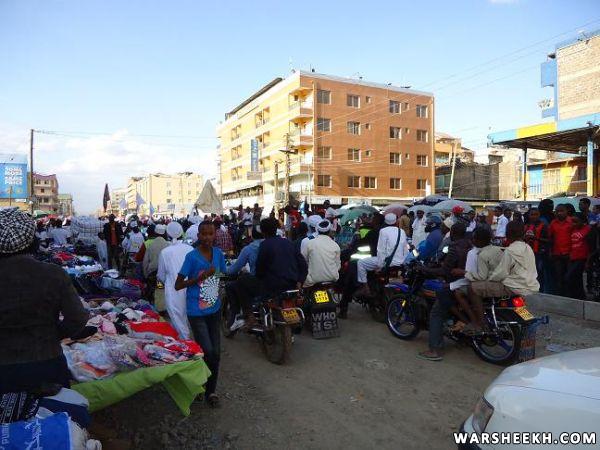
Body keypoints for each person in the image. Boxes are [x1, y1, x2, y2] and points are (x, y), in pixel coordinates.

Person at [0, 208, 89, 393]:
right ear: (32, 241)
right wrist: (53, 335)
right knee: (53, 410)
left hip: (5, 367)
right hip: (46, 361)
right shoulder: (53, 274)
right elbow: (77, 318)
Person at [175, 221, 227, 407]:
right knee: (207, 350)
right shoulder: (191, 257)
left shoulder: (218, 254)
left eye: (210, 234)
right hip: (196, 311)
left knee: (216, 353)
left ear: (214, 235)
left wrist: (215, 275)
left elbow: (222, 275)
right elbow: (178, 285)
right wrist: (199, 278)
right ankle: (200, 385)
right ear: (198, 235)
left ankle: (210, 391)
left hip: (214, 308)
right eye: (203, 234)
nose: (207, 237)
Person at [417, 222, 472, 362]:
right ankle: (463, 339)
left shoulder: (454, 247)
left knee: (436, 313)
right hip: (468, 284)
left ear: (452, 233)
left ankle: (435, 350)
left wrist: (426, 269)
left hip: (455, 284)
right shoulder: (469, 245)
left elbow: (445, 271)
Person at [468, 221, 539, 322]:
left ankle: (479, 323)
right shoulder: (527, 248)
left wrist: (488, 278)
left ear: (508, 234)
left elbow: (501, 273)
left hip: (512, 286)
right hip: (528, 284)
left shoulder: (510, 250)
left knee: (472, 288)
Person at [453, 227, 504, 334]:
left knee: (459, 292)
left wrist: (461, 273)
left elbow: (477, 277)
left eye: (474, 238)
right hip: (500, 282)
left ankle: (476, 322)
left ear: (480, 241)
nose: (472, 240)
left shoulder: (475, 253)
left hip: (488, 285)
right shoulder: (497, 249)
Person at [355, 213, 408, 298]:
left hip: (387, 263)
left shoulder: (383, 231)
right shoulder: (401, 231)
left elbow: (380, 250)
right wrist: (404, 262)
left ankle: (365, 288)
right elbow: (405, 250)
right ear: (396, 222)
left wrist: (380, 266)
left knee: (360, 263)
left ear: (385, 222)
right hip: (400, 263)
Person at [157, 222, 193, 340]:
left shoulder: (165, 252)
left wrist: (164, 283)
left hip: (173, 290)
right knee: (186, 317)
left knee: (177, 318)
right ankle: (185, 341)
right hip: (190, 288)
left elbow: (161, 276)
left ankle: (186, 343)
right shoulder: (190, 249)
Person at [255, 217, 308, 298]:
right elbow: (303, 265)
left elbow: (259, 269)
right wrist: (299, 281)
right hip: (292, 284)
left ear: (263, 232)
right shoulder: (288, 243)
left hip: (273, 287)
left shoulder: (264, 245)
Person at [225, 226, 265, 330]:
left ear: (252, 235)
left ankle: (243, 315)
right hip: (275, 282)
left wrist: (222, 271)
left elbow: (235, 268)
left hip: (257, 283)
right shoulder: (272, 245)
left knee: (234, 284)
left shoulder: (249, 248)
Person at [303, 219, 341, 288]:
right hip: (332, 279)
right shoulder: (335, 245)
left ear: (317, 230)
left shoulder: (310, 243)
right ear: (329, 231)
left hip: (312, 281)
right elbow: (338, 266)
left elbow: (303, 262)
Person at [548, 204, 573, 296]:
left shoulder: (572, 221)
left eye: (562, 211)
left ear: (566, 211)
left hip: (570, 253)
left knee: (569, 275)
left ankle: (570, 294)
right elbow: (550, 238)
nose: (559, 213)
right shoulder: (553, 223)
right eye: (557, 211)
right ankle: (560, 295)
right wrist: (550, 252)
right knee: (559, 275)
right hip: (557, 253)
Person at [566, 214, 592, 300]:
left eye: (576, 222)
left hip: (582, 258)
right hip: (573, 257)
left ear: (583, 221)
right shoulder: (573, 229)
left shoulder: (588, 229)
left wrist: (588, 261)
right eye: (572, 221)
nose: (573, 224)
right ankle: (579, 297)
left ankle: (576, 296)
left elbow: (591, 246)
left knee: (570, 276)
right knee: (577, 279)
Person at [524, 208, 549, 291]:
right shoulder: (526, 226)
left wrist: (535, 238)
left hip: (539, 253)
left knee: (539, 272)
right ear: (529, 215)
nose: (534, 216)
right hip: (528, 253)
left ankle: (540, 290)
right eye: (532, 214)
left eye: (536, 214)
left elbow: (548, 240)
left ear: (539, 215)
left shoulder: (543, 226)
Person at [143, 224, 169, 303]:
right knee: (160, 290)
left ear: (155, 233)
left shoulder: (151, 245)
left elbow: (145, 262)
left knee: (152, 291)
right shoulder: (168, 244)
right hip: (163, 276)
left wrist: (146, 275)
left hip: (152, 274)